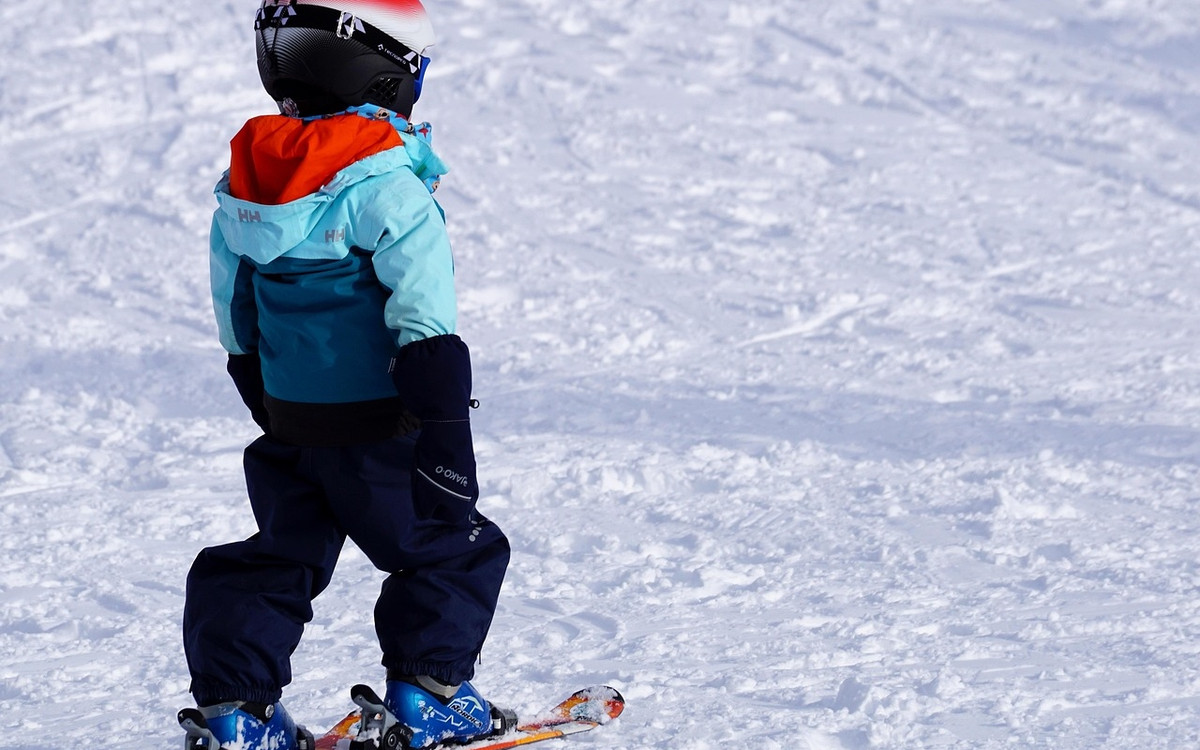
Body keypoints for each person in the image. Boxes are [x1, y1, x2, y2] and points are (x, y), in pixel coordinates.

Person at [178, 1, 511, 748]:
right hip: (381, 424)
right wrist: (446, 434)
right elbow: (424, 318)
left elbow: (232, 298)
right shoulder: (387, 186)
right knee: (455, 550)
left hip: (292, 420)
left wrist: (256, 383)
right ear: (386, 69)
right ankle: (431, 695)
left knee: (278, 555)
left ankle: (239, 710)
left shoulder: (247, 178)